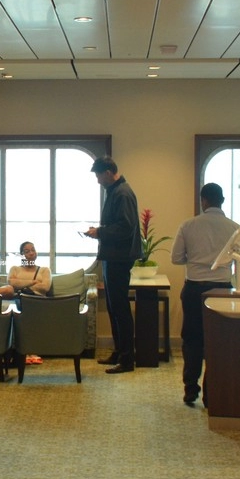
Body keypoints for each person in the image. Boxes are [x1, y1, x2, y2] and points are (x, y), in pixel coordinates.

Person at [171, 183, 240, 406]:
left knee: (192, 339)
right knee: (218, 341)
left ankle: (191, 388)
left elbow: (176, 258)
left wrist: (194, 260)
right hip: (222, 289)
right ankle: (212, 393)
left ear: (203, 201)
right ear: (222, 201)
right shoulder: (235, 228)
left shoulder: (188, 225)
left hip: (194, 288)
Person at [84, 156, 140, 373]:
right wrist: (99, 231)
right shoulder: (115, 191)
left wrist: (100, 232)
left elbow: (126, 227)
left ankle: (127, 359)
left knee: (120, 308)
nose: (98, 180)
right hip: (113, 256)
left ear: (108, 172)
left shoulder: (122, 193)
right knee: (114, 307)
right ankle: (119, 352)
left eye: (98, 176)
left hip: (119, 258)